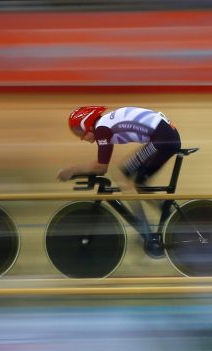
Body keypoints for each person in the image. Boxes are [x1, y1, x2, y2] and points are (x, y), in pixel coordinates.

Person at [57, 106, 181, 257]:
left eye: (79, 132)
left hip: (163, 139)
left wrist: (71, 171)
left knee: (123, 176)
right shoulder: (104, 126)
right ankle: (167, 213)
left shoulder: (102, 128)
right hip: (166, 137)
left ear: (87, 124)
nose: (81, 138)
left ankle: (145, 229)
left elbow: (101, 167)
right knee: (138, 183)